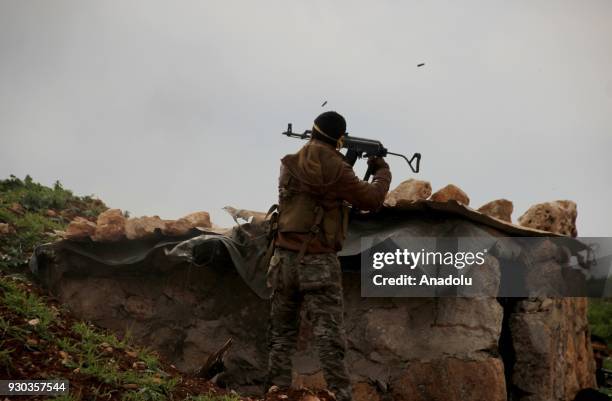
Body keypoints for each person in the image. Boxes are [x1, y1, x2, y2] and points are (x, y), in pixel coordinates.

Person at [266, 111, 392, 401]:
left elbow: (319, 186)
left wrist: (346, 160)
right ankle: (340, 394)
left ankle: (276, 392)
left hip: (283, 258)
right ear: (339, 139)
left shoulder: (289, 163)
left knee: (281, 335)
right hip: (318, 262)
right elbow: (371, 200)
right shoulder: (336, 168)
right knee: (329, 338)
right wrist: (382, 172)